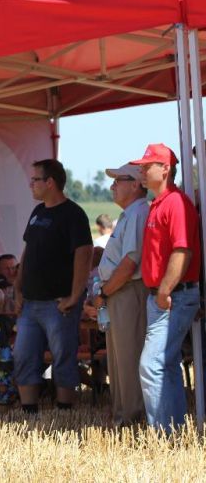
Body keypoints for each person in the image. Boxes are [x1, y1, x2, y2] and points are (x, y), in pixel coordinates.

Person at [13, 159, 93, 413]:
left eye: (35, 179)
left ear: (50, 182)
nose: (30, 185)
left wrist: (75, 295)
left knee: (63, 358)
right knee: (24, 356)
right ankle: (29, 411)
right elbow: (28, 252)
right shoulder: (37, 212)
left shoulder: (74, 214)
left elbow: (85, 254)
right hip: (30, 302)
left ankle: (64, 410)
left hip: (58, 303)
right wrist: (17, 286)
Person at [131, 144, 200, 433]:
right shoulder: (163, 203)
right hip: (169, 294)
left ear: (166, 169)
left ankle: (163, 433)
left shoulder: (175, 203)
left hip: (172, 295)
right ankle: (172, 432)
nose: (142, 171)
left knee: (153, 364)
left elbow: (182, 250)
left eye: (148, 166)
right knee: (165, 364)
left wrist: (164, 290)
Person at [90, 163, 150, 427]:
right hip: (118, 291)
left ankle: (130, 418)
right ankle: (122, 415)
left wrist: (104, 291)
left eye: (118, 180)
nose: (113, 186)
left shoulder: (138, 213)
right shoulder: (130, 213)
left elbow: (130, 262)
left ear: (136, 184)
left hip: (126, 291)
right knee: (118, 360)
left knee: (128, 358)